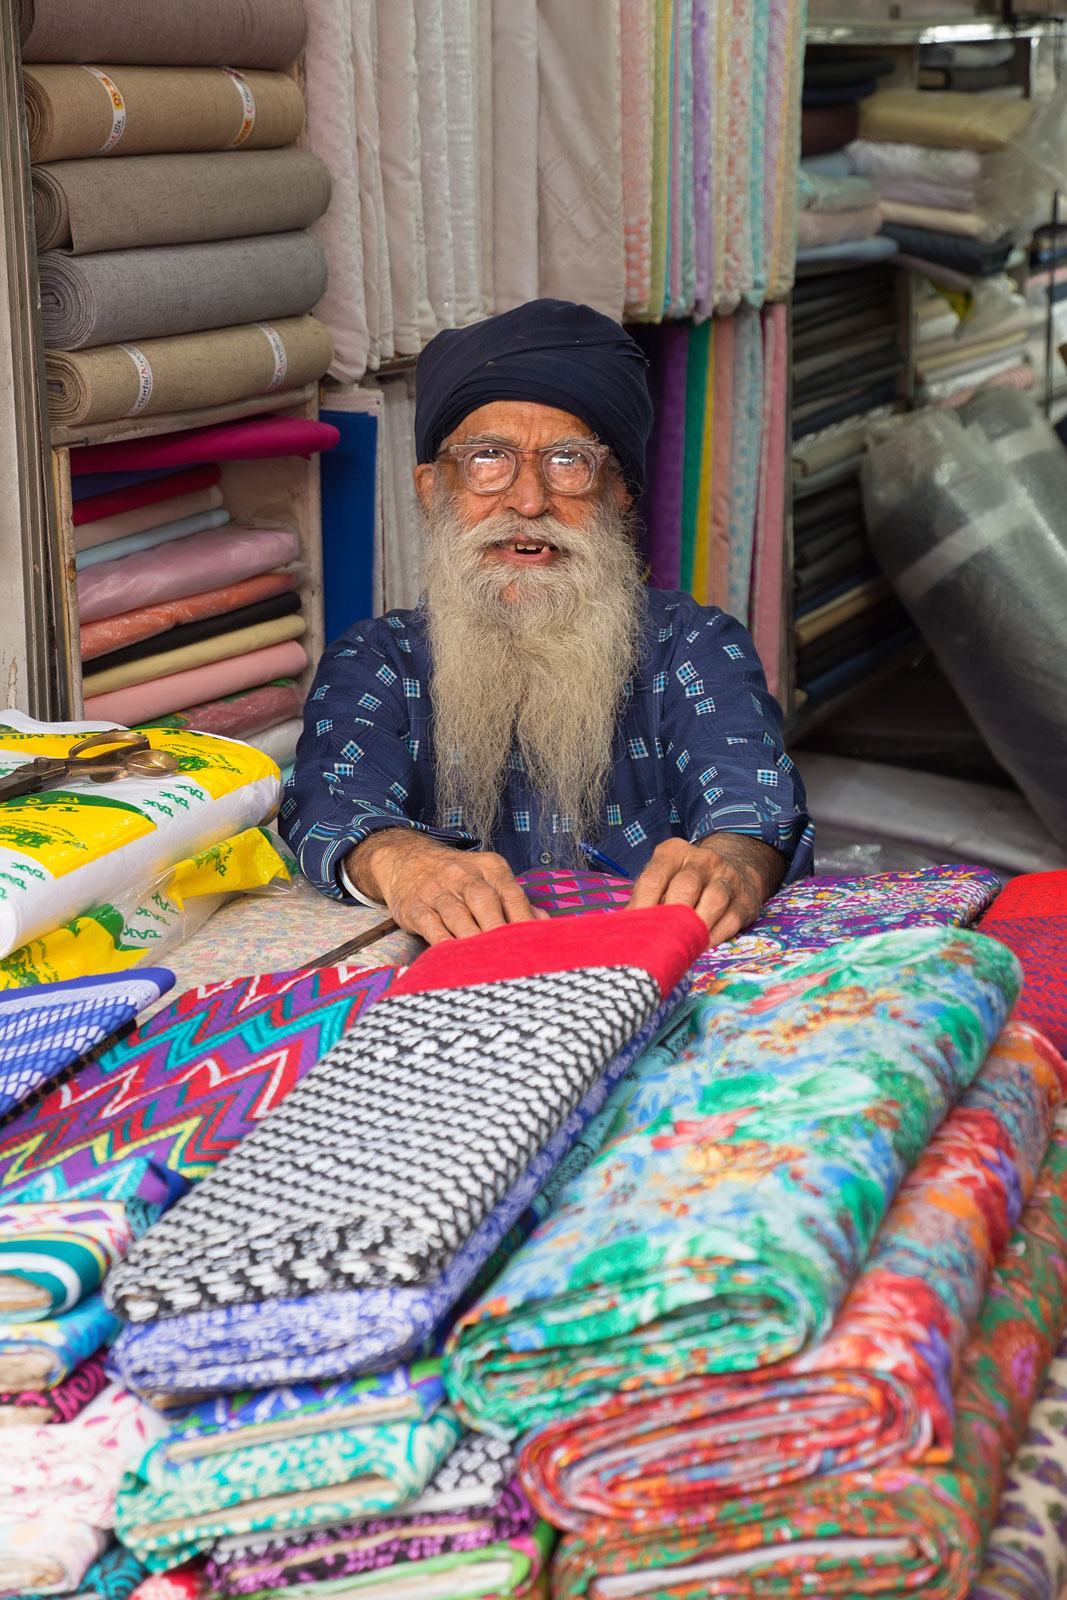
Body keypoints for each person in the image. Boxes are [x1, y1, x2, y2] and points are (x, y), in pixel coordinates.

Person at [281, 299, 813, 945]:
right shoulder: (377, 658)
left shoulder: (692, 643)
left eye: (569, 462)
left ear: (619, 494)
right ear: (431, 488)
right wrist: (403, 861)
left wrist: (730, 864)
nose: (529, 501)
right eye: (486, 459)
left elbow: (750, 797)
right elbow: (330, 795)